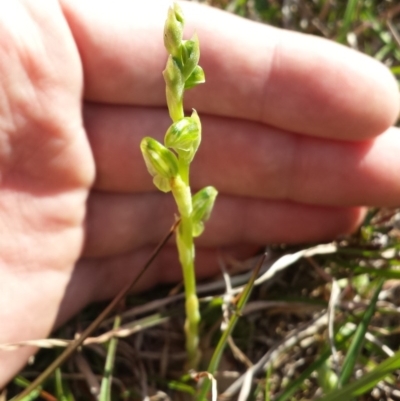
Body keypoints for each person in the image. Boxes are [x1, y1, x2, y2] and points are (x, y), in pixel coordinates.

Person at [0, 0, 399, 387]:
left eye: (185, 135)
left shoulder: (185, 119)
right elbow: (166, 152)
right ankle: (190, 355)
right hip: (177, 175)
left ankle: (196, 352)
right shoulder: (172, 132)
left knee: (196, 212)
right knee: (189, 216)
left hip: (185, 181)